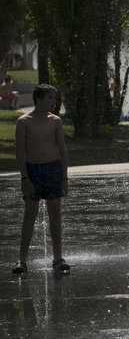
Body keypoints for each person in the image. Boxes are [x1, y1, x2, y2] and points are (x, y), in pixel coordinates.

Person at [13, 84, 70, 274]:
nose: (53, 102)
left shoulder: (55, 121)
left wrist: (64, 177)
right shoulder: (24, 121)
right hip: (33, 171)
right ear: (38, 99)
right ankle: (22, 260)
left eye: (54, 99)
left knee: (55, 213)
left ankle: (58, 258)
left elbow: (62, 150)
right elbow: (20, 152)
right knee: (30, 213)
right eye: (49, 99)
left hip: (52, 169)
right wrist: (25, 178)